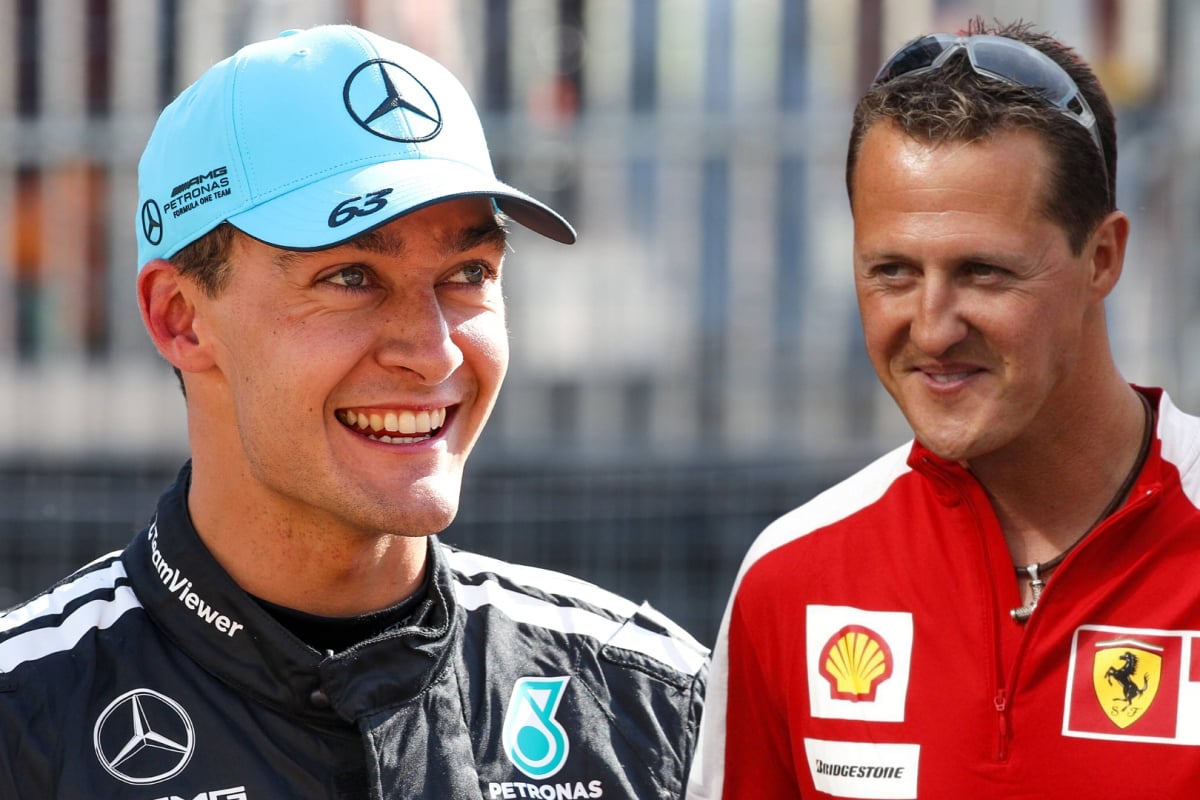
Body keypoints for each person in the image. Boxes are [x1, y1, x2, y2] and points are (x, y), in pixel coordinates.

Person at [0, 25, 706, 799]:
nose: (434, 352)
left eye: (469, 272)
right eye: (350, 277)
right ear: (181, 318)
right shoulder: (27, 720)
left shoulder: (648, 700)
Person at [688, 17, 1200, 798]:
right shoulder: (792, 577)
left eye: (984, 273)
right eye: (891, 271)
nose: (932, 327)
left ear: (1101, 259)